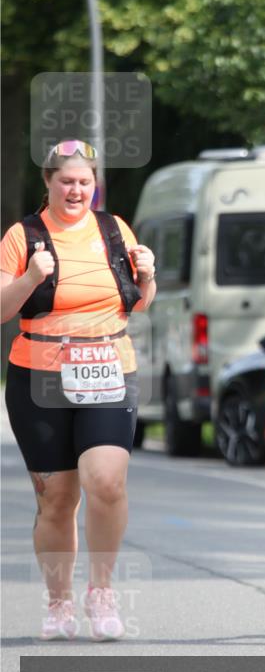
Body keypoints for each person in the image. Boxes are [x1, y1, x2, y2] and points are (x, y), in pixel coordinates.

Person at [0, 140, 156, 641]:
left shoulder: (114, 229)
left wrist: (148, 277)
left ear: (96, 185)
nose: (76, 190)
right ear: (47, 182)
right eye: (66, 181)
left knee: (106, 481)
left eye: (85, 182)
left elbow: (138, 303)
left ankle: (102, 590)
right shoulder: (22, 236)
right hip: (39, 375)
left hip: (109, 367)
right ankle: (59, 601)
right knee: (57, 498)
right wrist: (29, 278)